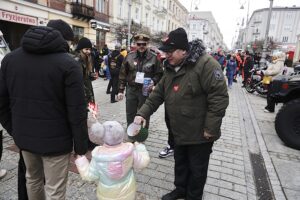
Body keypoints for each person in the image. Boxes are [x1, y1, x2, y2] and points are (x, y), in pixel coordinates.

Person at [133, 28, 229, 200]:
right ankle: (180, 190)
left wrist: (211, 129)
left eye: (170, 51)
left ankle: (193, 196)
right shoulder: (170, 67)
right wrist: (142, 114)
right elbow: (157, 94)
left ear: (184, 50)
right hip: (178, 130)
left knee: (197, 169)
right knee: (181, 163)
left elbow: (219, 98)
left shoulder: (206, 64)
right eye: (165, 51)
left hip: (200, 133)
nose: (166, 55)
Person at [0, 23, 88, 199]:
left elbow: (2, 102)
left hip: (25, 139)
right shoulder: (69, 64)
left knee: (32, 180)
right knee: (54, 189)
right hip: (57, 143)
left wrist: (15, 131)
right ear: (62, 39)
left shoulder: (10, 59)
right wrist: (80, 146)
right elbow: (77, 112)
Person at [75, 121, 150, 200]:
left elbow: (89, 175)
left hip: (106, 195)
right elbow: (143, 163)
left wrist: (81, 161)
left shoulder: (98, 157)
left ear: (102, 136)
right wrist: (140, 148)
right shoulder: (130, 151)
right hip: (127, 193)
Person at [117, 33, 163, 129]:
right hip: (131, 89)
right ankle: (131, 133)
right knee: (130, 113)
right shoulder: (129, 57)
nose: (141, 46)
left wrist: (153, 81)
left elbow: (159, 73)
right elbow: (123, 74)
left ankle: (142, 135)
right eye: (139, 44)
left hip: (145, 90)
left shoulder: (154, 58)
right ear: (135, 44)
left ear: (147, 44)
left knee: (144, 113)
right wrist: (121, 90)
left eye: (144, 44)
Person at [74, 37, 97, 149]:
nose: (89, 51)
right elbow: (78, 81)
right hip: (82, 95)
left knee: (88, 118)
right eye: (86, 49)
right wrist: (86, 95)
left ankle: (87, 141)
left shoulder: (86, 59)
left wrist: (91, 77)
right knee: (83, 120)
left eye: (90, 49)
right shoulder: (78, 60)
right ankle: (84, 143)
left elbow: (85, 78)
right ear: (81, 49)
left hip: (87, 93)